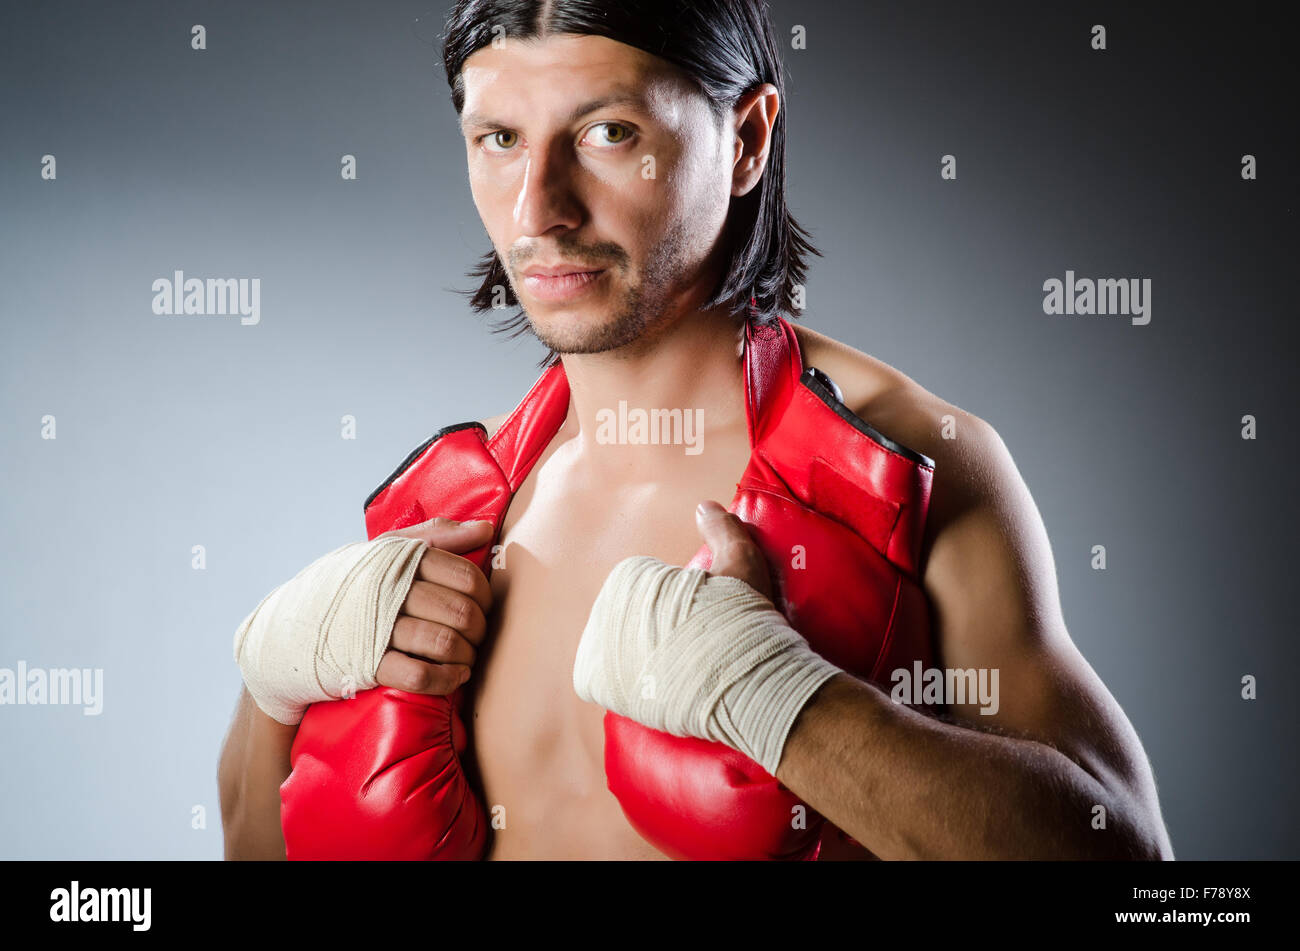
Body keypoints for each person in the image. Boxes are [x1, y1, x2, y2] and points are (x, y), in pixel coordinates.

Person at [218, 0, 1173, 861]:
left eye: (606, 132)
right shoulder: (456, 506)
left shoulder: (913, 470)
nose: (536, 210)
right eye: (500, 138)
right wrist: (270, 686)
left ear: (748, 137)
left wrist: (787, 707)